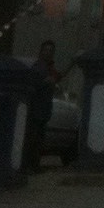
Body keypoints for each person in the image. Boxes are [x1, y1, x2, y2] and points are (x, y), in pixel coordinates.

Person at [24, 40, 62, 171]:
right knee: (32, 139)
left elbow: (58, 77)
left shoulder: (50, 68)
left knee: (38, 139)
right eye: (46, 50)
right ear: (41, 51)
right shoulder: (37, 67)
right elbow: (32, 85)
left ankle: (34, 165)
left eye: (51, 51)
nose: (48, 53)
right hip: (35, 109)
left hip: (44, 110)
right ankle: (28, 166)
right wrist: (44, 82)